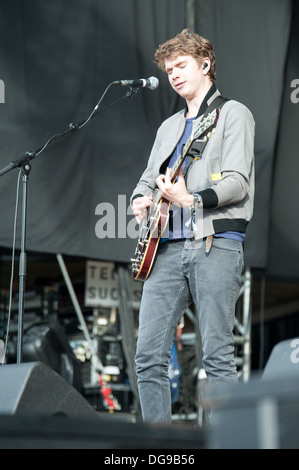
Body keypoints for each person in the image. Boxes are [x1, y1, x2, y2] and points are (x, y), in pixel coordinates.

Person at [130, 29, 255, 424]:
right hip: (164, 247)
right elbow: (149, 178)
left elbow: (237, 182)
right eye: (169, 71)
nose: (174, 75)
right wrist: (138, 199)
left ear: (205, 65)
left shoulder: (233, 114)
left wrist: (192, 199)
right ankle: (157, 445)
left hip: (214, 244)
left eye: (181, 66)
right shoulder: (168, 127)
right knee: (147, 357)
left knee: (217, 357)